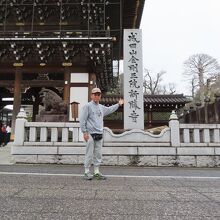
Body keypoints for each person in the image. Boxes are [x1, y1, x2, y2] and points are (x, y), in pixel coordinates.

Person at [80, 88, 124, 180]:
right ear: (91, 95)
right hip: (90, 133)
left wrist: (118, 104)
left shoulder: (101, 107)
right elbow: (82, 120)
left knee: (98, 153)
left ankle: (96, 172)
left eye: (98, 94)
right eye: (95, 94)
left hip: (99, 133)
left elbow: (110, 109)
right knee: (89, 153)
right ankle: (86, 171)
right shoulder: (87, 106)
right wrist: (84, 132)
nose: (96, 96)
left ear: (100, 96)